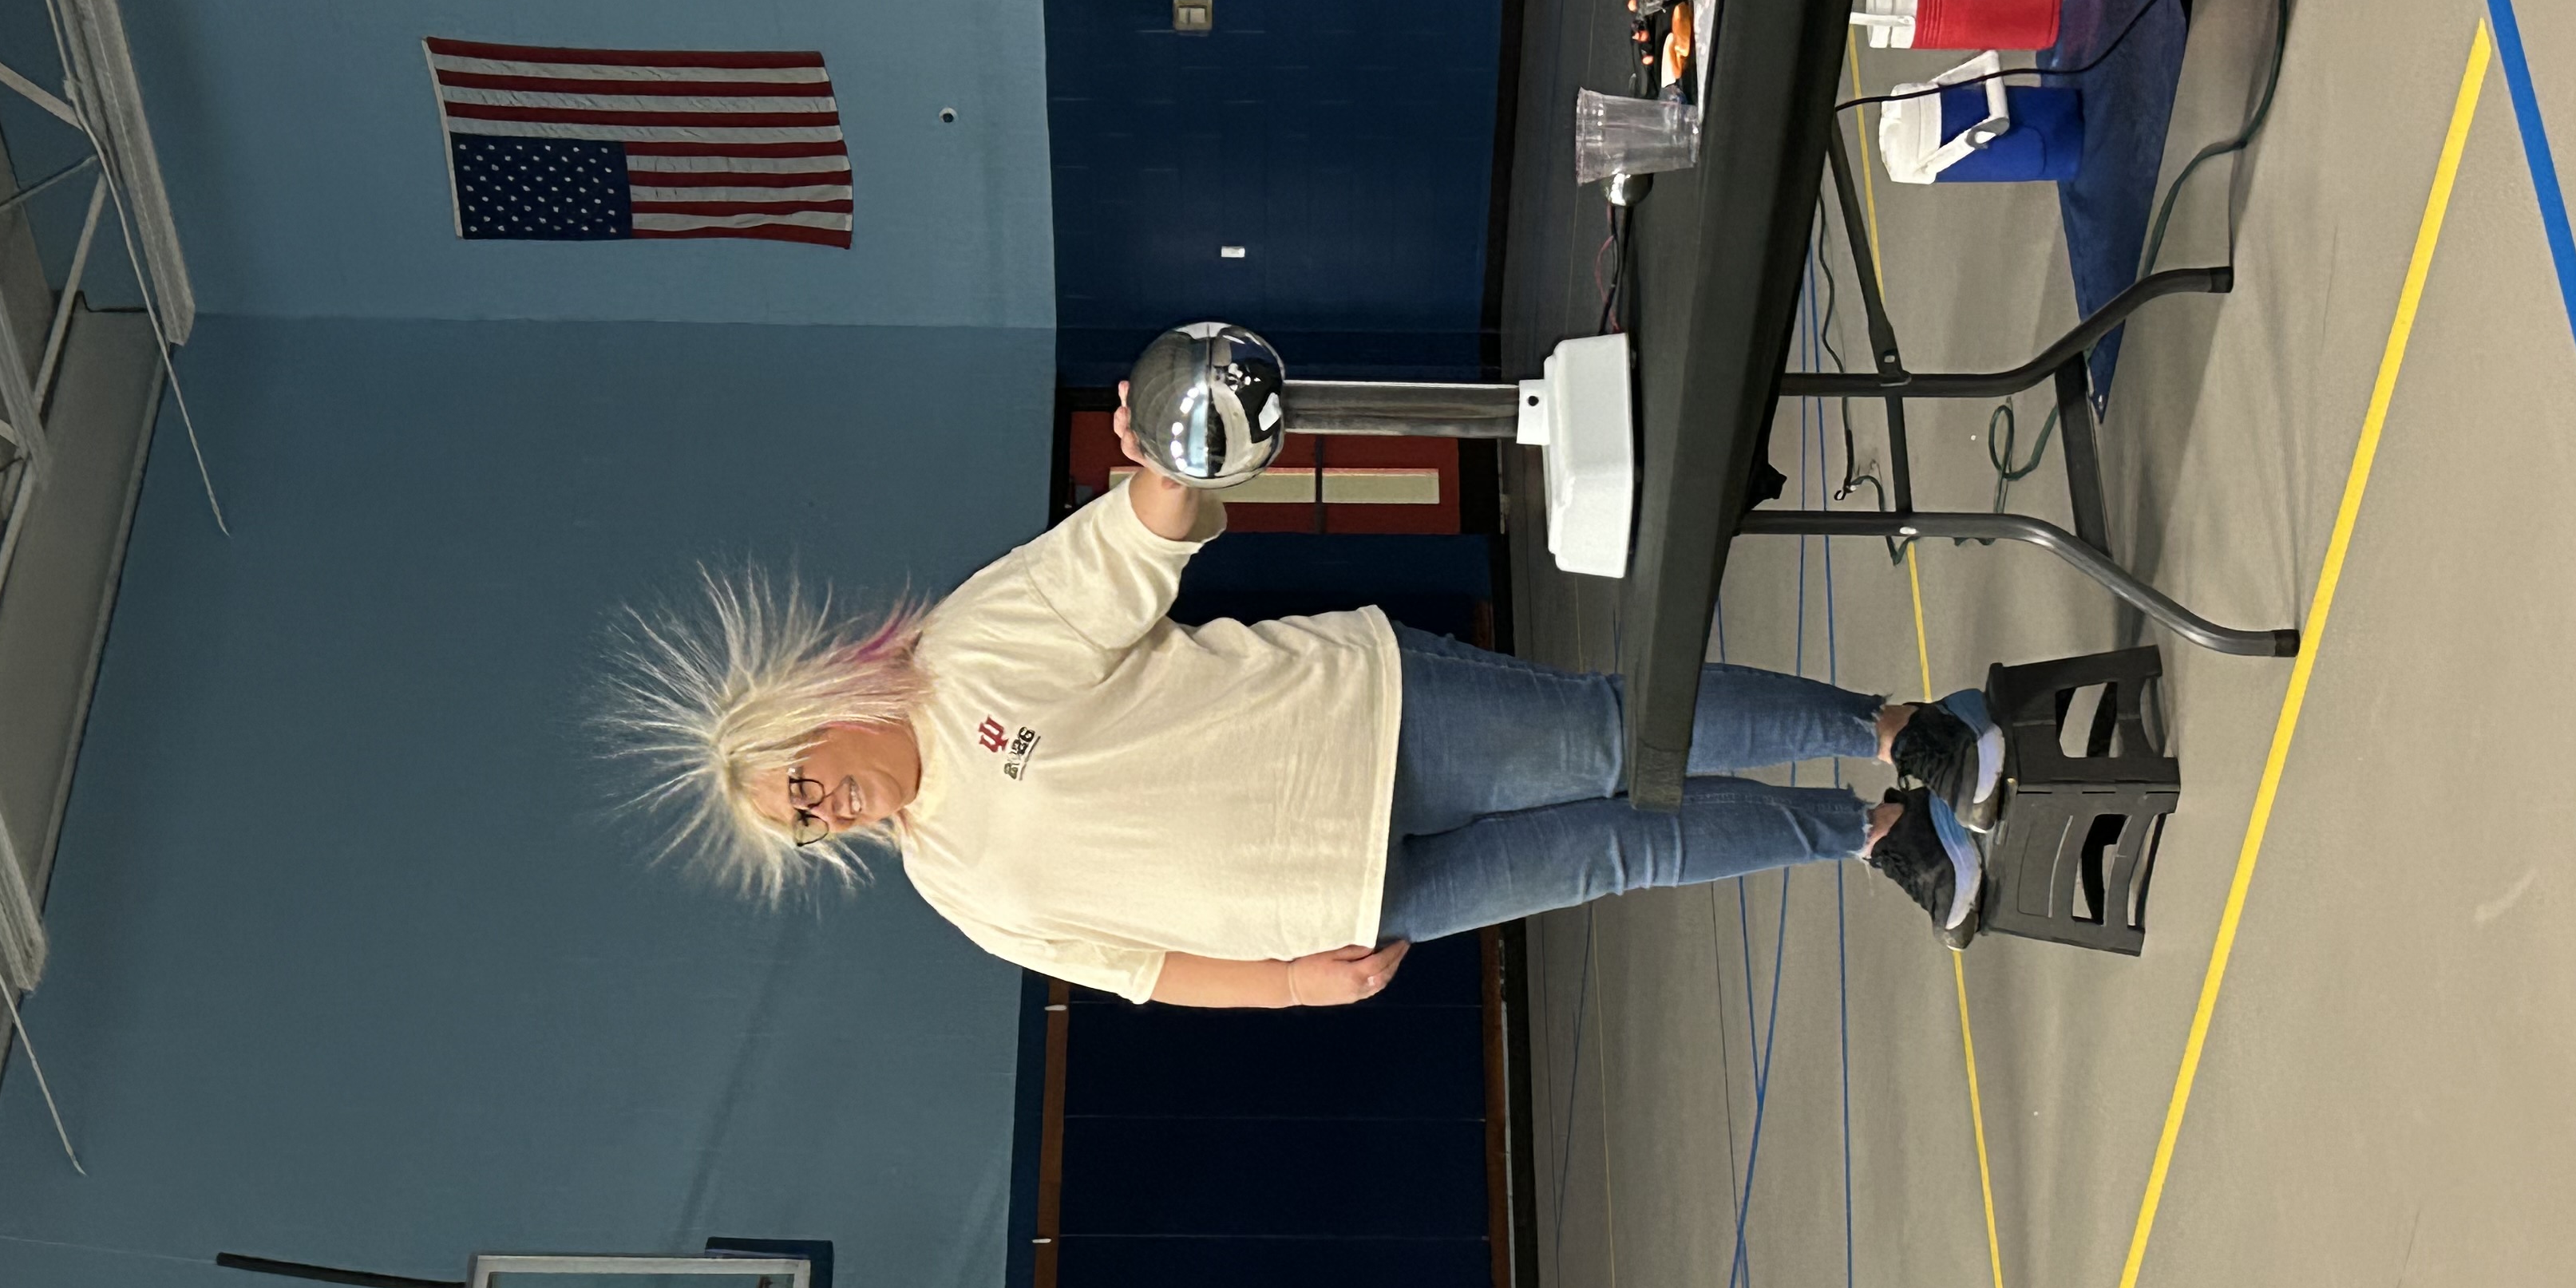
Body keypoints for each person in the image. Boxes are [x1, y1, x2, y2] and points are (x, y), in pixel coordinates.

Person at [601, 393, 2008, 1007]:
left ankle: (1885, 728)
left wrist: (1168, 450)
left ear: (817, 713)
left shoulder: (969, 651)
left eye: (802, 784)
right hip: (1346, 902)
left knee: (1602, 731)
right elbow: (1133, 967)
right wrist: (1288, 989)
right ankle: (1869, 834)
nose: (825, 811)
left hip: (1372, 720)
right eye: (806, 828)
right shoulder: (953, 887)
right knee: (1622, 852)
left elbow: (1133, 546)